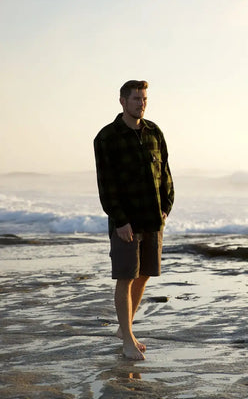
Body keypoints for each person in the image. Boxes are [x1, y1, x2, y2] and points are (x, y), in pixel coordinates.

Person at [94, 80, 174, 360]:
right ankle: (127, 338)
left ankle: (123, 327)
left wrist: (166, 207)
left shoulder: (155, 132)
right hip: (125, 222)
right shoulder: (106, 138)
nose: (142, 103)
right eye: (136, 99)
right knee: (126, 277)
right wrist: (119, 220)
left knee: (145, 273)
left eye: (144, 98)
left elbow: (165, 173)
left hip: (152, 219)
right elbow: (107, 185)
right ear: (122, 101)